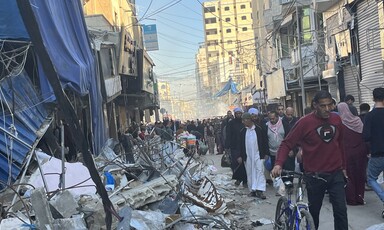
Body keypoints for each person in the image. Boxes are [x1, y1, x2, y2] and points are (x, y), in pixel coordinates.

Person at [271, 90, 348, 230]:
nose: (327, 109)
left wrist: (344, 167)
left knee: (341, 211)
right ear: (315, 105)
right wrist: (278, 164)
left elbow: (341, 143)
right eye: (323, 106)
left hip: (335, 174)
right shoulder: (305, 123)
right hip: (314, 176)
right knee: (313, 214)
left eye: (329, 105)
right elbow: (287, 143)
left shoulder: (336, 120)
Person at [337, 102, 369, 205]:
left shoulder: (341, 123)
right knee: (360, 174)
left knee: (349, 176)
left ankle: (352, 199)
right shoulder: (358, 121)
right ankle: (360, 197)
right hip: (361, 151)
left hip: (347, 152)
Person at [363, 87, 384, 215]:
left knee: (371, 179)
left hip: (377, 153)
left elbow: (365, 136)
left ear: (373, 98)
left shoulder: (370, 116)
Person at [239, 112, 269, 199]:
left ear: (249, 120)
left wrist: (266, 153)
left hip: (258, 155)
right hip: (248, 156)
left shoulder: (259, 129)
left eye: (244, 120)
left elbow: (264, 141)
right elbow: (240, 145)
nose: (243, 122)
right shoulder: (243, 131)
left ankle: (260, 190)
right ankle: (252, 190)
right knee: (250, 172)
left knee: (259, 171)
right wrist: (240, 156)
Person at [225, 107, 247, 186]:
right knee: (235, 163)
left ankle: (245, 180)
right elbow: (228, 135)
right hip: (234, 146)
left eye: (239, 113)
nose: (238, 115)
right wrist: (227, 146)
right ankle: (238, 178)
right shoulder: (231, 123)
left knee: (244, 163)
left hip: (244, 145)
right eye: (237, 113)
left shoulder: (244, 122)